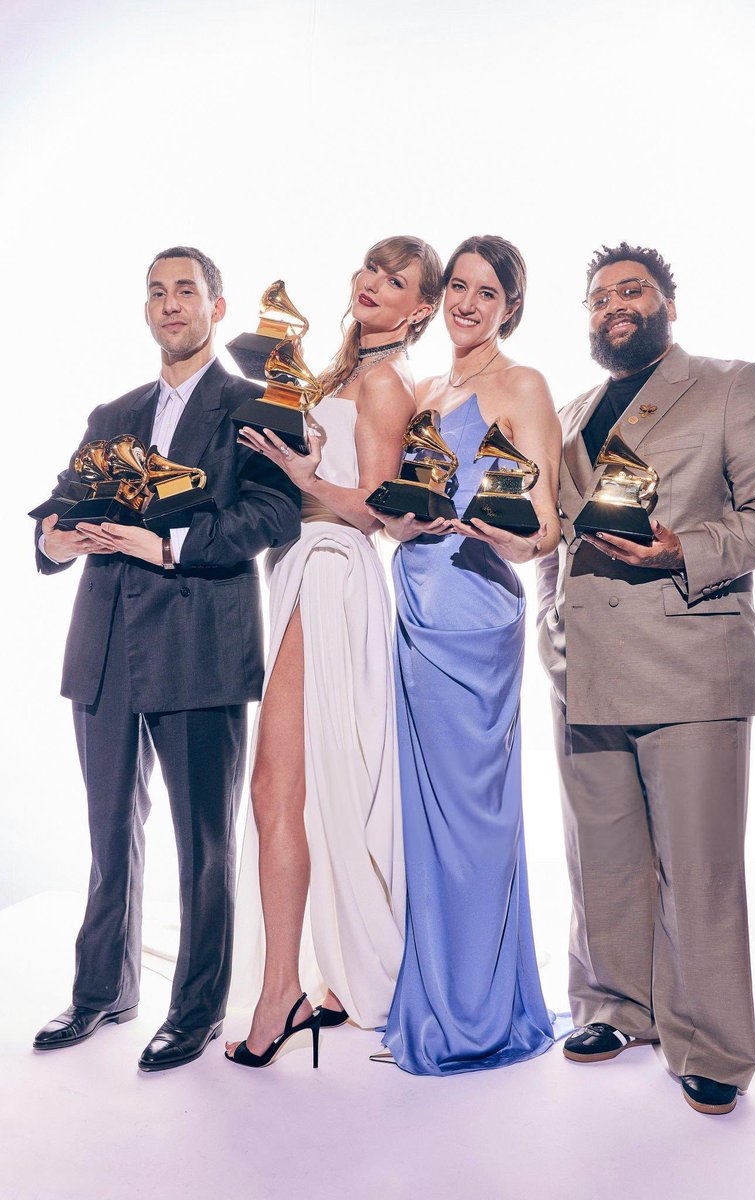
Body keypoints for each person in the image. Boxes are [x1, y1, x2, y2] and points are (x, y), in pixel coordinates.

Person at [537, 241, 755, 1115]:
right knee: (600, 856)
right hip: (584, 666)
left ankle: (713, 1042)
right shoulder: (570, 411)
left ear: (668, 305)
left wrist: (684, 548)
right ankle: (617, 1005)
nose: (616, 304)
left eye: (634, 290)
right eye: (600, 296)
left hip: (690, 657)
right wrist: (543, 612)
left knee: (699, 865)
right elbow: (551, 530)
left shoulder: (730, 383)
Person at [32, 247, 300, 1071]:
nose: (170, 303)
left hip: (199, 647)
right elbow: (56, 508)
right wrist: (53, 537)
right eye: (157, 291)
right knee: (109, 831)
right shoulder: (111, 412)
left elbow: (273, 514)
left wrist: (171, 543)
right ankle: (102, 992)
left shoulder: (254, 404)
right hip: (105, 651)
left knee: (204, 842)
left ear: (217, 309)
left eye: (186, 290)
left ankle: (195, 1009)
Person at [224, 235, 443, 1069]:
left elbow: (382, 515)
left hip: (333, 570)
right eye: (371, 271)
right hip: (294, 569)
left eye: (396, 282)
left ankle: (282, 989)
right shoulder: (327, 375)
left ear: (420, 308)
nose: (373, 286)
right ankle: (323, 979)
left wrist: (307, 476)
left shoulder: (385, 384)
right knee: (294, 787)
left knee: (276, 784)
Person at [372, 234, 562, 1075]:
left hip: (478, 607)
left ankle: (478, 1015)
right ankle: (438, 992)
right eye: (459, 286)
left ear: (510, 307)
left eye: (488, 293)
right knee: (424, 815)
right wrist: (398, 524)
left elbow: (547, 526)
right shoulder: (422, 388)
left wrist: (504, 536)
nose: (468, 304)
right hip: (414, 596)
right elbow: (396, 504)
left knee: (474, 819)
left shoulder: (523, 386)